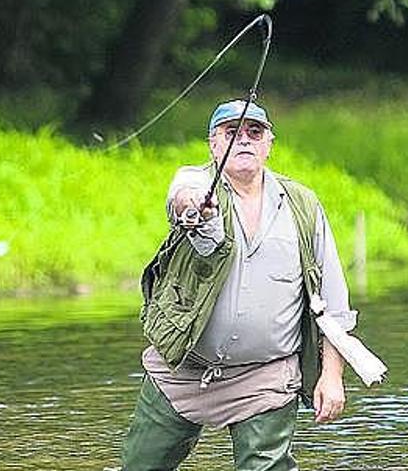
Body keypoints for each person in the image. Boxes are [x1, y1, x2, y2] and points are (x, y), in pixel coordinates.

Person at [122, 99, 358, 471]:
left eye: (254, 132)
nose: (244, 140)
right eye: (232, 133)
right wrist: (196, 209)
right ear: (213, 145)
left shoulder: (303, 206)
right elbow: (182, 199)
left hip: (266, 377)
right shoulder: (196, 183)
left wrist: (331, 376)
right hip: (182, 369)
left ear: (269, 145)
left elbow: (333, 305)